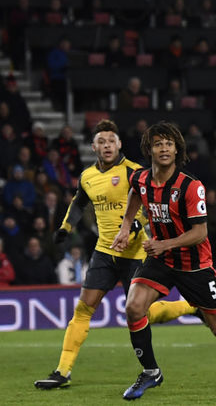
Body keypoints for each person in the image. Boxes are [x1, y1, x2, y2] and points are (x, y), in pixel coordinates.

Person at [34, 120, 200, 390]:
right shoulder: (88, 176)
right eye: (101, 141)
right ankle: (62, 372)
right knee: (83, 308)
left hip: (135, 252)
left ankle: (192, 307)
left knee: (145, 312)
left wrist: (133, 228)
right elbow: (78, 203)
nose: (107, 145)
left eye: (111, 140)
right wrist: (65, 227)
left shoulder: (135, 172)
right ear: (93, 147)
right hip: (104, 252)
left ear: (119, 144)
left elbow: (150, 207)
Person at [111, 121, 216, 399]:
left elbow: (200, 233)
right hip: (161, 261)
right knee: (134, 308)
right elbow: (135, 193)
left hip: (194, 265)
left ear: (177, 150)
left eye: (169, 144)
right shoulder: (140, 178)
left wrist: (164, 244)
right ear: (149, 150)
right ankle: (151, 372)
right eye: (158, 144)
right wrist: (125, 227)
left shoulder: (190, 186)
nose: (164, 149)